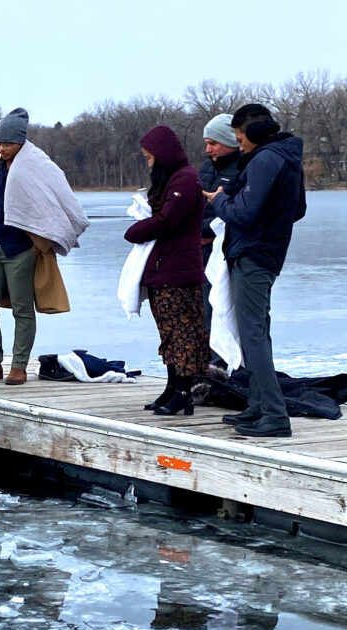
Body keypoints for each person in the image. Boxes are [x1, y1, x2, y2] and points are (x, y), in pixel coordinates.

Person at [0, 107, 88, 386]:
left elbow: (53, 208)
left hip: (20, 250)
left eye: (8, 143)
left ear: (21, 141)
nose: (2, 148)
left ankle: (18, 365)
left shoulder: (37, 167)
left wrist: (38, 247)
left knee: (23, 309)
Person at [204, 104, 306, 438]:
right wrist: (271, 222)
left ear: (253, 132)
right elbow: (298, 209)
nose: (240, 145)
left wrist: (219, 201)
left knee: (253, 333)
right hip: (269, 253)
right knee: (259, 329)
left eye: (239, 138)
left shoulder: (265, 159)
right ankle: (259, 404)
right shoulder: (288, 156)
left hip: (252, 255)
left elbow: (243, 214)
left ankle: (275, 415)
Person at [124, 125, 209, 416]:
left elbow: (168, 220)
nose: (149, 163)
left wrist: (135, 231)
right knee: (169, 334)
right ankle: (173, 387)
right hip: (165, 269)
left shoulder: (184, 179)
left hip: (177, 271)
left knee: (181, 332)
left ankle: (183, 391)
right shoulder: (174, 178)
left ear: (162, 155)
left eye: (150, 157)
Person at [198, 114, 242, 357]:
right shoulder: (207, 168)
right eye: (206, 143)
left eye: (213, 143)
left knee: (223, 312)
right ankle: (209, 366)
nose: (208, 149)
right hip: (200, 252)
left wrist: (207, 232)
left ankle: (226, 365)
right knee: (203, 313)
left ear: (230, 141)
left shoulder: (243, 169)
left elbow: (237, 214)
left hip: (226, 253)